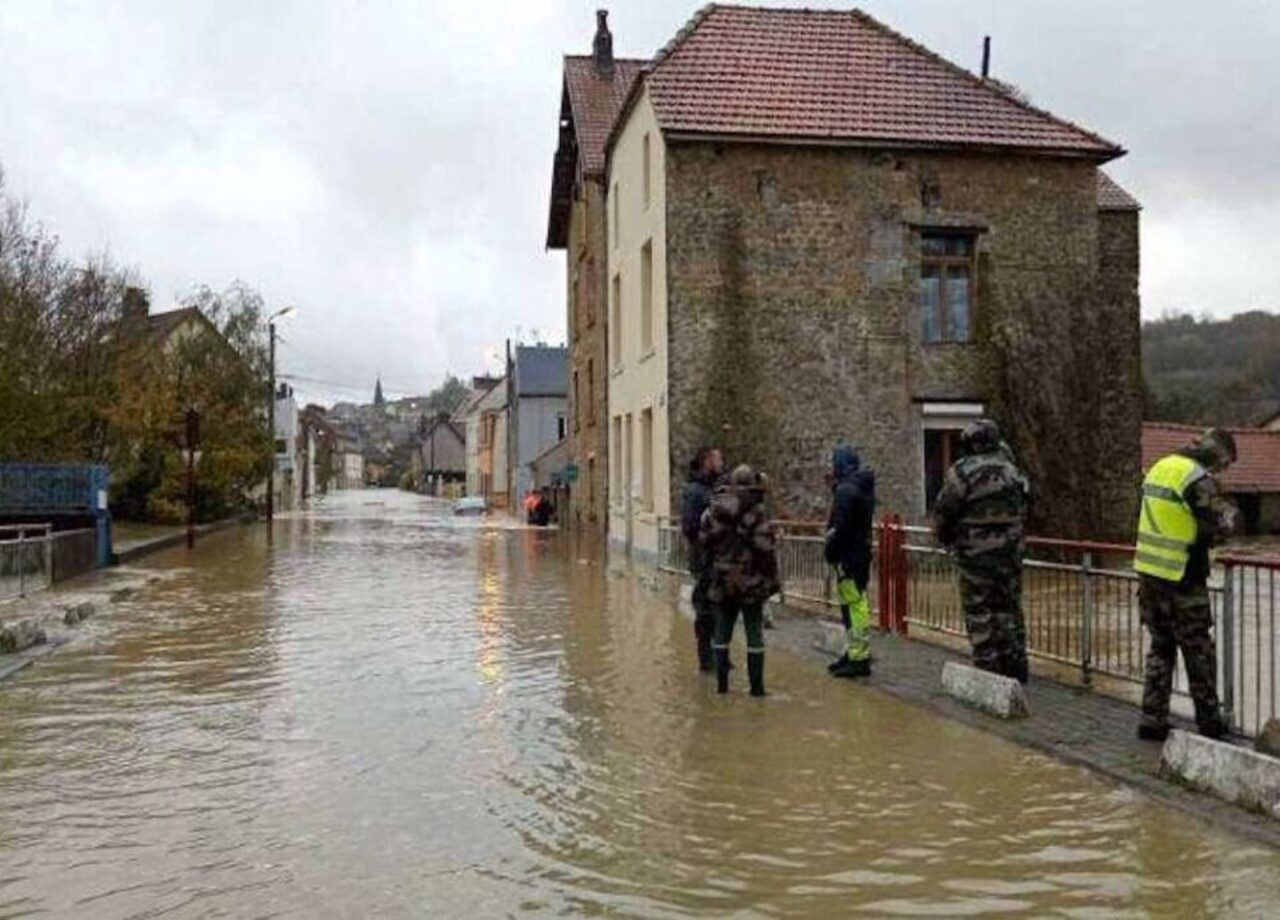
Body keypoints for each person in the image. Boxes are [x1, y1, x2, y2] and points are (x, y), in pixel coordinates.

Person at [1134, 428, 1237, 741]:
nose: (1221, 471)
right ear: (1216, 455)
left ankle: (1152, 719)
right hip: (1182, 576)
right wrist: (1232, 515)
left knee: (1160, 648)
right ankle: (1209, 723)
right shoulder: (1196, 478)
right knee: (1198, 651)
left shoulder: (1159, 467)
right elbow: (1219, 526)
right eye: (1225, 465)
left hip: (1149, 574)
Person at [932, 419, 1031, 682]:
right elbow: (1026, 505)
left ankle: (988, 671)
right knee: (1009, 608)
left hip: (975, 557)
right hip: (1010, 555)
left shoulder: (961, 473)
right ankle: (1016, 665)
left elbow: (944, 512)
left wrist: (945, 540)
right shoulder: (1013, 471)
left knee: (980, 612)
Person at [701, 465, 779, 697]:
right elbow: (765, 547)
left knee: (722, 629)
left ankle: (722, 686)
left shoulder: (715, 510)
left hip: (722, 579)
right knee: (754, 630)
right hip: (751, 580)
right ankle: (757, 690)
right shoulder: (756, 511)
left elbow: (703, 540)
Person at [824, 444, 876, 679]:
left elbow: (840, 527)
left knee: (854, 606)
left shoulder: (846, 491)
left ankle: (859, 657)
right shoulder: (857, 488)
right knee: (851, 604)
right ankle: (854, 652)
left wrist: (831, 550)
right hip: (857, 554)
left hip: (848, 556)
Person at [681, 447, 725, 671]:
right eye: (718, 459)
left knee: (717, 606)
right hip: (704, 558)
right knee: (706, 608)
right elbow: (689, 526)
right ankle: (706, 659)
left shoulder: (712, 488)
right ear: (707, 461)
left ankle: (719, 653)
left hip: (716, 558)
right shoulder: (696, 491)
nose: (722, 462)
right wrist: (705, 544)